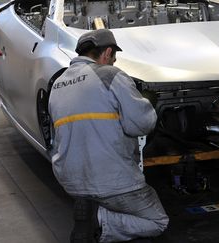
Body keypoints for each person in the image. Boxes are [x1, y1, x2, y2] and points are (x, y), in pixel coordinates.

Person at [48, 29, 169, 242]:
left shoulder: (57, 83)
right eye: (113, 58)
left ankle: (90, 207)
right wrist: (148, 103)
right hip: (111, 181)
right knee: (157, 221)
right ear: (107, 53)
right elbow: (141, 124)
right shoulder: (110, 75)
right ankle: (100, 220)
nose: (113, 62)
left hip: (70, 180)